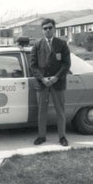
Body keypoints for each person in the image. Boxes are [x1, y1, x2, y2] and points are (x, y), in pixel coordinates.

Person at [30, 18, 71, 146]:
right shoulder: (37, 45)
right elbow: (33, 65)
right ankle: (41, 136)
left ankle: (62, 137)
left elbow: (66, 64)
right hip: (42, 84)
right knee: (42, 111)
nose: (47, 30)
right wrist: (42, 78)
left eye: (50, 27)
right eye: (45, 28)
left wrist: (56, 77)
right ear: (42, 30)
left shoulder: (62, 44)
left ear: (54, 28)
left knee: (60, 111)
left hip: (57, 83)